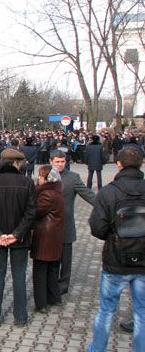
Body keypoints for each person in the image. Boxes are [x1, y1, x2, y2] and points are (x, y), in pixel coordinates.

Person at [87, 148, 145, 352]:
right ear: (141, 163)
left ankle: (97, 348)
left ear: (119, 164)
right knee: (142, 312)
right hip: (142, 261)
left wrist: (114, 235)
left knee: (106, 310)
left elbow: (97, 227)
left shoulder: (109, 191)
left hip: (116, 259)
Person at [0, 149, 36, 327]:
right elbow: (31, 212)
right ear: (16, 163)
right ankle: (20, 317)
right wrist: (17, 234)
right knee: (19, 276)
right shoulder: (27, 182)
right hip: (19, 239)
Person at [50, 150, 95, 295]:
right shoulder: (45, 176)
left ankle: (63, 285)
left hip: (66, 223)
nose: (60, 164)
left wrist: (105, 205)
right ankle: (50, 282)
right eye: (57, 162)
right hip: (48, 224)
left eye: (62, 162)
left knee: (66, 258)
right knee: (50, 256)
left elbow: (89, 195)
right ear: (51, 162)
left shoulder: (73, 178)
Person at [30, 165, 64, 313]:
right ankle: (54, 297)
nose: (38, 178)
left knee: (40, 271)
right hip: (54, 236)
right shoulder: (57, 192)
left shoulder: (46, 195)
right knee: (51, 269)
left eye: (41, 176)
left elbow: (35, 212)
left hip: (45, 237)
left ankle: (41, 303)